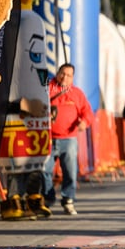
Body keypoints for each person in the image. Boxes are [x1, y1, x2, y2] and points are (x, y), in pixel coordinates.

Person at [42, 63, 94, 215]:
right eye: (62, 73)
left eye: (69, 75)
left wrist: (84, 122)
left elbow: (87, 113)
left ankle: (68, 200)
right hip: (48, 139)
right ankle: (47, 199)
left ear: (73, 78)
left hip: (69, 140)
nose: (65, 77)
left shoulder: (77, 93)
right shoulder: (47, 89)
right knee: (44, 171)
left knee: (70, 172)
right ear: (57, 73)